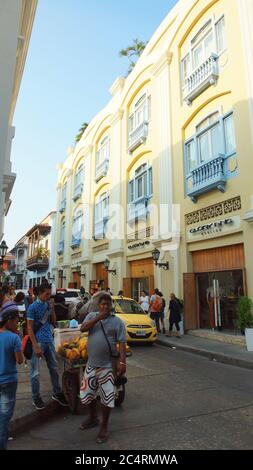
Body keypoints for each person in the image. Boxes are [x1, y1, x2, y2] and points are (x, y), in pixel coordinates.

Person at [79, 293, 126, 444]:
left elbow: (122, 344)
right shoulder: (92, 316)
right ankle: (93, 417)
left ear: (111, 306)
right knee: (88, 394)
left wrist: (122, 362)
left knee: (107, 397)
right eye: (103, 304)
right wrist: (98, 317)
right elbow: (83, 329)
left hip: (107, 366)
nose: (106, 306)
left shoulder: (117, 322)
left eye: (108, 304)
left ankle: (104, 426)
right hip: (92, 364)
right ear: (99, 305)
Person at [27, 284, 68, 410]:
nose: (49, 296)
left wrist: (52, 308)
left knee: (54, 367)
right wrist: (35, 345)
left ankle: (57, 392)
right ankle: (36, 397)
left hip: (48, 339)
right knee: (35, 372)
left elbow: (53, 321)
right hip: (38, 341)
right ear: (39, 293)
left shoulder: (47, 304)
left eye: (50, 294)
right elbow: (29, 328)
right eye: (47, 294)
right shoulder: (32, 307)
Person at [0, 302, 23, 450]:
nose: (17, 324)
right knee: (3, 419)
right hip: (8, 382)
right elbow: (19, 360)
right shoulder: (14, 338)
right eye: (16, 321)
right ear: (9, 320)